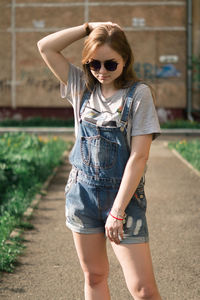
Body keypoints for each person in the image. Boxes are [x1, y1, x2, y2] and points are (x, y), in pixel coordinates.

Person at [37, 22, 162, 300]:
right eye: (94, 64)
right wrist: (87, 28)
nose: (102, 71)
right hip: (82, 196)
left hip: (124, 200)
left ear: (125, 60)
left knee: (143, 290)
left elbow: (139, 157)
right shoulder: (80, 86)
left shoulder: (138, 95)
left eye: (110, 64)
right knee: (94, 277)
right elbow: (45, 47)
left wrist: (117, 211)